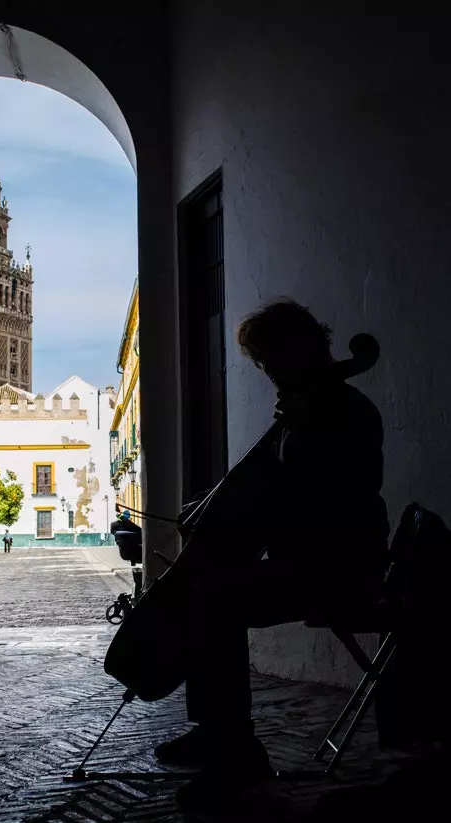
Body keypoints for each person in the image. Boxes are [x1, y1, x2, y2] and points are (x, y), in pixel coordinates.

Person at [154, 299, 390, 811]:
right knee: (208, 588)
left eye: (271, 360)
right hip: (309, 560)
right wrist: (218, 505)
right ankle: (215, 731)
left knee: (215, 597)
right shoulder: (306, 413)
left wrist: (306, 435)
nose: (269, 374)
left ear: (303, 348)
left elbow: (339, 495)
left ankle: (235, 751)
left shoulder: (345, 411)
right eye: (263, 364)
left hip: (340, 567)